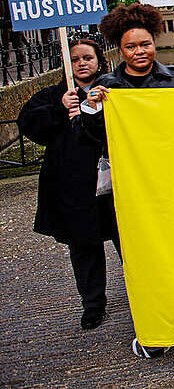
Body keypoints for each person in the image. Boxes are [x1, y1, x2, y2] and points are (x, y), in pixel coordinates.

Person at [75, 3, 174, 358]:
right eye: (131, 47)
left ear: (155, 43)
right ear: (120, 49)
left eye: (145, 44)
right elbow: (88, 137)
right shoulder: (106, 87)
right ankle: (154, 327)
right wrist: (91, 108)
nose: (139, 52)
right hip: (131, 192)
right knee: (139, 262)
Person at [17, 38, 117, 331]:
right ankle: (93, 305)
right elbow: (30, 125)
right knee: (85, 248)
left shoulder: (114, 90)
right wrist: (60, 109)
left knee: (129, 244)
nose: (82, 63)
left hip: (116, 183)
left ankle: (142, 296)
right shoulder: (53, 96)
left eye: (87, 58)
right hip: (76, 188)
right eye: (75, 59)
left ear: (99, 61)